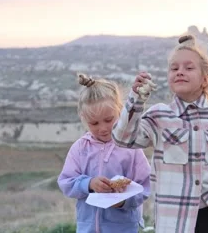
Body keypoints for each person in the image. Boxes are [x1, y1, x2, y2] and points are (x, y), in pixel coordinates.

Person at [112, 34, 208, 233]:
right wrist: (136, 99)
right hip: (175, 221)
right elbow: (123, 138)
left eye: (189, 68)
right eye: (174, 68)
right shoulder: (158, 116)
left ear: (205, 79)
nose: (180, 72)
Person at [58, 73, 151, 233]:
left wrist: (123, 202)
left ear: (120, 111)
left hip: (124, 228)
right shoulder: (80, 148)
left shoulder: (131, 148)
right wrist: (88, 183)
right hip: (87, 228)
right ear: (83, 119)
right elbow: (66, 182)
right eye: (94, 123)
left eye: (108, 120)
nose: (102, 128)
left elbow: (145, 187)